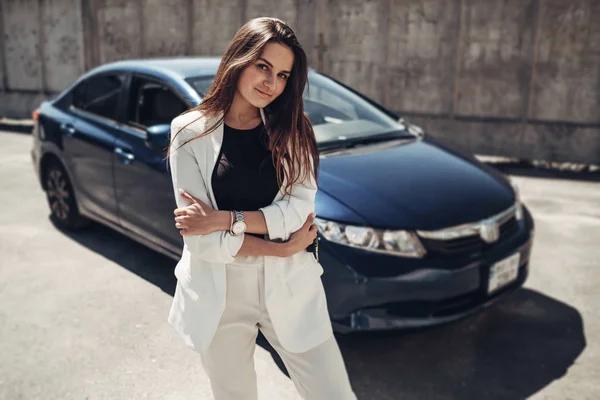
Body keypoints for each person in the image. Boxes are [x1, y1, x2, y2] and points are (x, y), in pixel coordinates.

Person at [166, 17, 357, 400]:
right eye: (263, 67)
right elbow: (200, 241)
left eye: (283, 75)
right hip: (219, 292)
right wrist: (279, 245)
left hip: (290, 282)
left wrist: (224, 220)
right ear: (239, 59)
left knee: (334, 393)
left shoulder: (292, 127)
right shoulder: (190, 131)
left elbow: (298, 212)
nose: (272, 84)